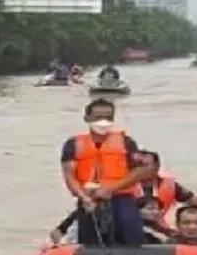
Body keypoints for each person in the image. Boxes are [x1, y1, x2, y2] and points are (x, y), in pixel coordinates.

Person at [60, 98, 156, 246]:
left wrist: (111, 188)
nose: (103, 122)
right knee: (90, 243)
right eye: (98, 117)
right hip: (89, 200)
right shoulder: (73, 144)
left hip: (122, 198)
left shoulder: (126, 142)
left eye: (108, 117)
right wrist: (83, 197)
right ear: (87, 118)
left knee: (133, 238)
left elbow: (142, 170)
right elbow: (69, 176)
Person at [134, 150, 197, 219]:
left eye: (144, 165)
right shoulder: (127, 186)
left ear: (157, 167)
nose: (139, 169)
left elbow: (195, 201)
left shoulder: (170, 185)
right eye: (136, 165)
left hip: (159, 227)